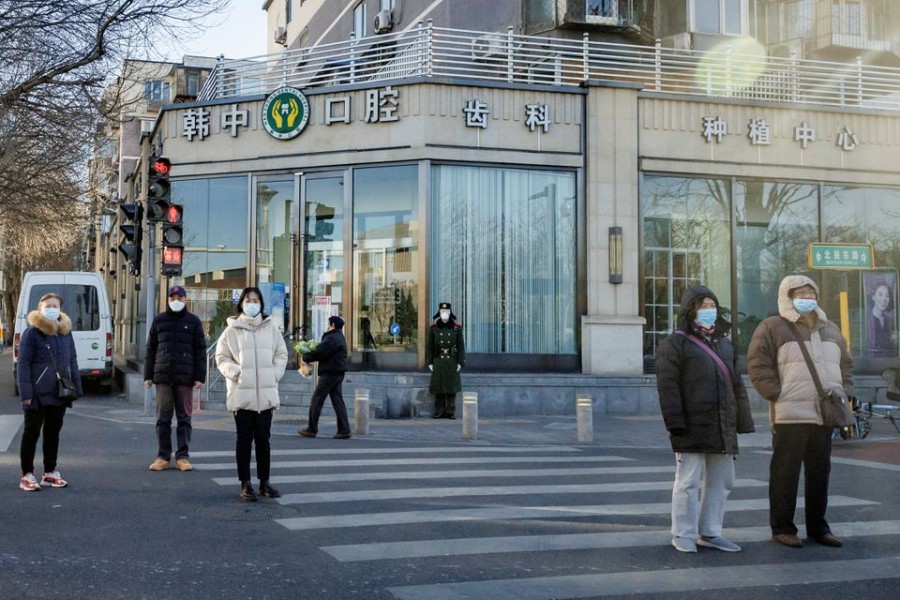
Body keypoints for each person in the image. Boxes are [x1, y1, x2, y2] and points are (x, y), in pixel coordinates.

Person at [748, 274, 853, 548]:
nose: (807, 298)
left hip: (824, 414)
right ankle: (782, 527)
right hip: (790, 414)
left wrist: (845, 391)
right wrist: (777, 394)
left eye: (810, 293)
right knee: (785, 473)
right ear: (787, 296)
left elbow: (846, 365)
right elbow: (758, 365)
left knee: (820, 474)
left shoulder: (830, 328)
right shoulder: (772, 327)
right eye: (800, 294)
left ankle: (819, 527)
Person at [656, 286, 755, 553]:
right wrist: (676, 425)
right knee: (688, 481)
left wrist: (742, 421)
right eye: (702, 305)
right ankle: (683, 533)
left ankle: (710, 532)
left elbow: (736, 385)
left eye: (712, 305)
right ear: (690, 310)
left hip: (722, 424)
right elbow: (668, 388)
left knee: (723, 480)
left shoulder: (725, 345)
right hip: (691, 424)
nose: (709, 310)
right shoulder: (674, 344)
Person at [215, 287, 288, 501]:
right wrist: (236, 374)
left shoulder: (271, 327)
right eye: (249, 300)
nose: (253, 303)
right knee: (244, 441)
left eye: (256, 300)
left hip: (265, 395)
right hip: (242, 394)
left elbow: (281, 354)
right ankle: (245, 483)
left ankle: (264, 482)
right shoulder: (232, 330)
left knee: (264, 441)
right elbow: (221, 358)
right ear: (242, 304)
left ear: (261, 303)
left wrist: (274, 374)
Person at [16, 292, 83, 491]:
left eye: (55, 305)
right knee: (31, 434)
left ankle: (49, 472)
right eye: (48, 305)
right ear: (40, 308)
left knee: (53, 434)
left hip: (59, 393)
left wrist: (77, 388)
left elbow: (72, 360)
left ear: (60, 309)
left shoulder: (65, 333)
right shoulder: (31, 333)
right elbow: (23, 364)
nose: (52, 308)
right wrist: (26, 393)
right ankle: (27, 474)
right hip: (36, 394)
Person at [144, 285, 207, 472]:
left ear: (186, 300)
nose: (176, 301)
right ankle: (163, 456)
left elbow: (200, 351)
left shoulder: (194, 322)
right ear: (168, 300)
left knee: (184, 418)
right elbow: (150, 349)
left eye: (180, 297)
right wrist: (148, 375)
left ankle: (182, 456)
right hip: (163, 376)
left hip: (185, 378)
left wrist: (199, 377)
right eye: (173, 298)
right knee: (163, 418)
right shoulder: (159, 320)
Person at [298, 315, 352, 439]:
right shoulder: (339, 337)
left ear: (332, 325)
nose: (327, 326)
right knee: (338, 401)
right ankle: (344, 429)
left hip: (330, 373)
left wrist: (306, 357)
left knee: (317, 399)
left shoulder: (332, 338)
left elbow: (320, 352)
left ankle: (311, 429)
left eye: (328, 324)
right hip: (338, 372)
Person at [426, 302, 465, 419]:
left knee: (451, 387)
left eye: (446, 312)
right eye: (442, 312)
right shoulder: (434, 328)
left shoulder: (456, 328)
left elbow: (460, 346)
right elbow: (430, 346)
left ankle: (450, 411)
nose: (444, 314)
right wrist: (430, 361)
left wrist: (460, 361)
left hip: (452, 360)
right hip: (438, 360)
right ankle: (439, 411)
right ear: (439, 313)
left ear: (450, 313)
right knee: (439, 387)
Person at [866, 277, 896, 357]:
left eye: (887, 296)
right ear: (873, 297)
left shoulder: (889, 321)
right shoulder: (866, 320)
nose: (884, 299)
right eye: (880, 294)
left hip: (887, 363)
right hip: (870, 364)